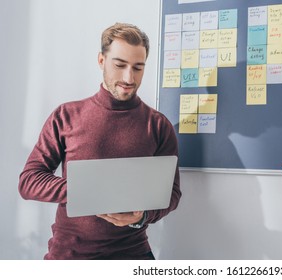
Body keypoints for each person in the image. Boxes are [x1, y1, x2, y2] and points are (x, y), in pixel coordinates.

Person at [18, 23, 181, 260]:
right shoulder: (66, 115)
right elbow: (29, 181)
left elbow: (172, 193)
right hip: (69, 257)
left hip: (134, 256)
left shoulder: (157, 125)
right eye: (120, 65)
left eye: (138, 67)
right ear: (101, 61)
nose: (129, 77)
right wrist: (87, 190)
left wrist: (142, 216)